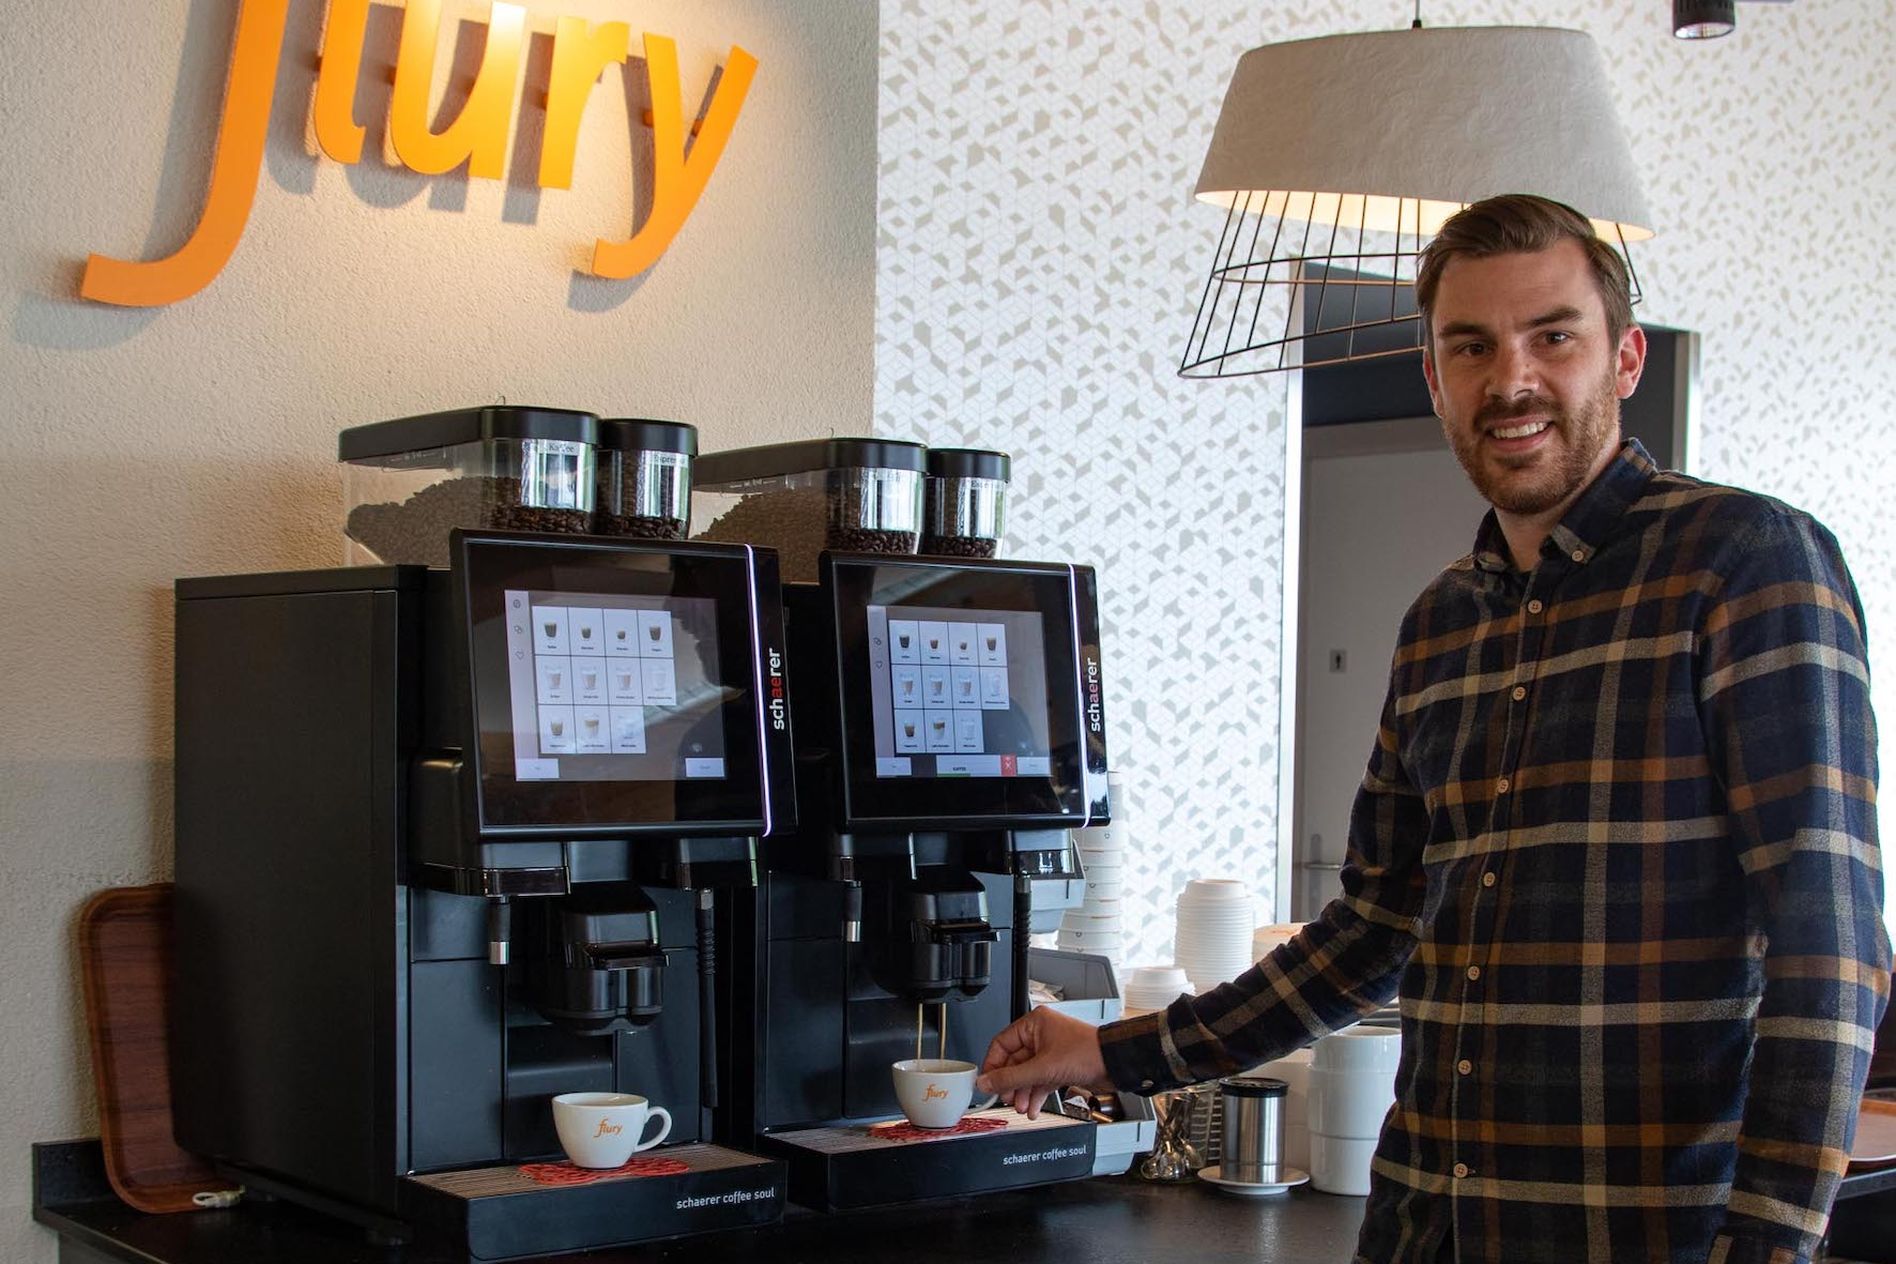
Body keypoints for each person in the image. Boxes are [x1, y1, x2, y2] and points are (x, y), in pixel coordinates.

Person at [978, 194, 1889, 1264]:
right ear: (1435, 379)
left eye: (1553, 336)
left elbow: (1828, 946)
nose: (1512, 380)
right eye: (1472, 345)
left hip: (1644, 1233)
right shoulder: (1440, 624)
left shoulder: (1747, 560)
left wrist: (1772, 1246)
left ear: (1626, 358)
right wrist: (1114, 1053)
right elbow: (1369, 936)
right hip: (1428, 1227)